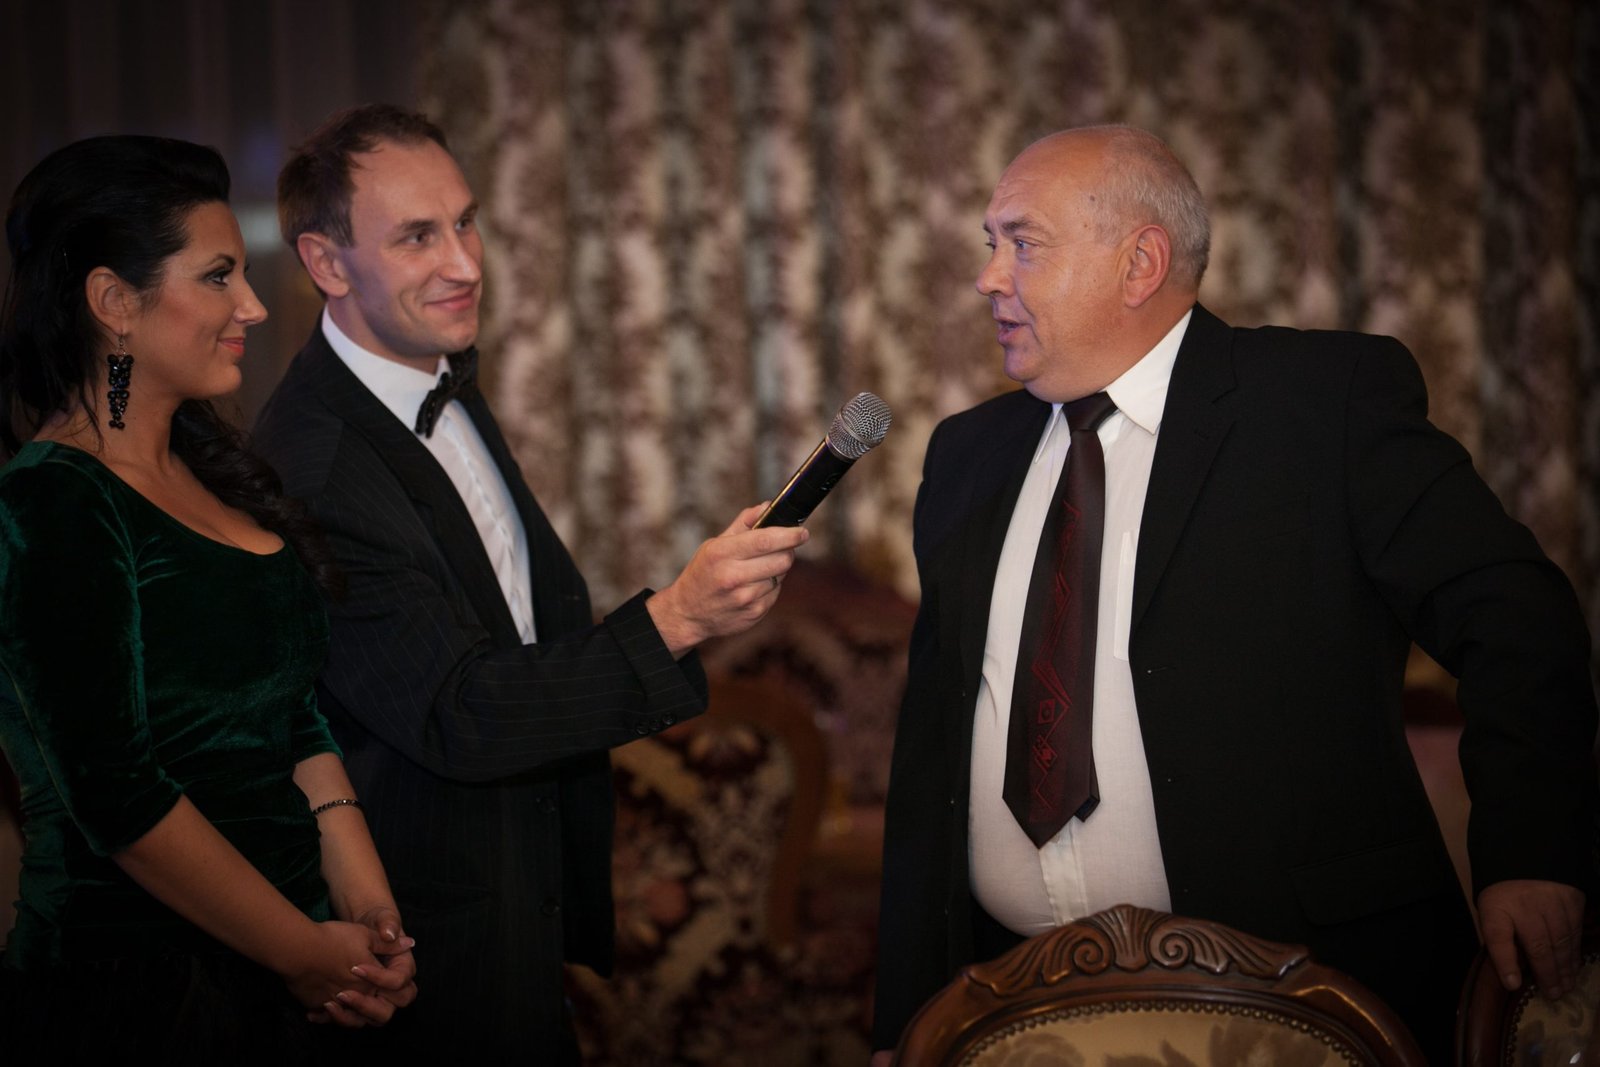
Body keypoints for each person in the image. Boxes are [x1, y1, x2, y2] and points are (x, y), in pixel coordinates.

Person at [871, 124, 1598, 1064]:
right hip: (1010, 1004)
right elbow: (933, 751)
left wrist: (1532, 849)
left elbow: (1516, 614)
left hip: (1309, 997)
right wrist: (904, 1021)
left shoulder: (1323, 402)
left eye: (1023, 243)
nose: (988, 279)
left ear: (1140, 263)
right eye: (990, 244)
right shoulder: (967, 454)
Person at [252, 103, 808, 1060]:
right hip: (423, 949)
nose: (465, 263)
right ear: (327, 264)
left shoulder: (439, 374)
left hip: (519, 910)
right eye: (417, 236)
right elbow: (461, 708)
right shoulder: (317, 466)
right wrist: (676, 616)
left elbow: (521, 623)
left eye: (466, 222)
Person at [0, 135, 417, 1060]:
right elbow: (115, 794)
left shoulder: (212, 471)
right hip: (137, 993)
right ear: (114, 302)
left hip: (289, 969)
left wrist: (368, 909)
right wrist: (302, 951)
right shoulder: (53, 501)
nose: (254, 306)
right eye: (220, 276)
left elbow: (293, 718)